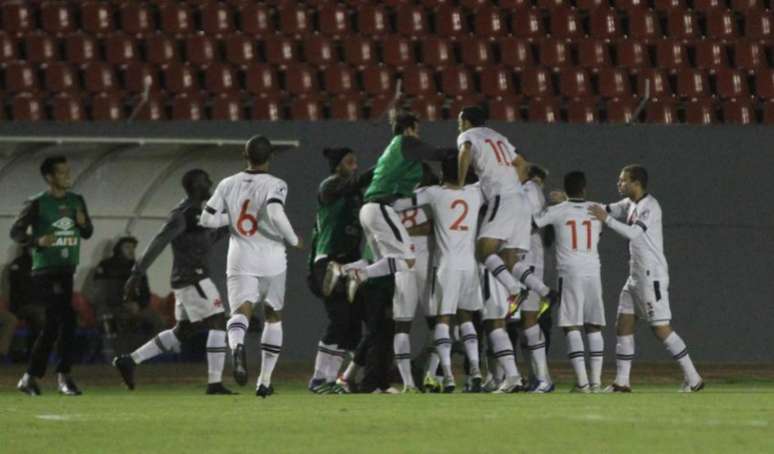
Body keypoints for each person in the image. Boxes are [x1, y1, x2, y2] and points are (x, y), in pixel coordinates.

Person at [326, 112, 449, 392]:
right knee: (405, 260)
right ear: (410, 128)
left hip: (373, 209)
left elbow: (401, 197)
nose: (418, 134)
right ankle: (351, 271)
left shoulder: (393, 160)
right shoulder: (404, 143)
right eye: (417, 129)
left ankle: (355, 270)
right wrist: (466, 152)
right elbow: (438, 153)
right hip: (380, 209)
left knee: (393, 265)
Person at [456, 106, 555, 393]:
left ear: (465, 121)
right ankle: (538, 289)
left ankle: (515, 289)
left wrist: (463, 182)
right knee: (509, 259)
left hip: (502, 199)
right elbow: (521, 163)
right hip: (517, 202)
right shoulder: (499, 136)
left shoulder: (469, 136)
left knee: (483, 250)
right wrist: (515, 181)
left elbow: (465, 153)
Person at [113, 169, 233, 395]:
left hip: (188, 281)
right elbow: (159, 242)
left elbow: (205, 241)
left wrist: (228, 228)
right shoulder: (183, 214)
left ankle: (129, 361)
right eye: (207, 180)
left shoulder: (199, 213)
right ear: (197, 185)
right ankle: (215, 383)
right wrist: (136, 273)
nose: (210, 184)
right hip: (194, 279)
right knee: (218, 321)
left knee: (183, 331)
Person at [200, 135, 303, 398]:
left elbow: (207, 220)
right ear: (270, 157)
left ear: (245, 156)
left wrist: (232, 217)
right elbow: (276, 213)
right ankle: (264, 381)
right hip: (272, 259)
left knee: (240, 313)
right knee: (273, 315)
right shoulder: (276, 184)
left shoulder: (227, 183)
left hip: (239, 258)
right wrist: (293, 239)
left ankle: (236, 348)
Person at [588, 165, 704, 392]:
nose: (619, 184)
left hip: (652, 276)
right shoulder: (629, 204)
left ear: (636, 183)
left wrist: (607, 221)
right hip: (635, 276)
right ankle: (622, 382)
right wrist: (571, 202)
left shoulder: (650, 207)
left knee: (660, 328)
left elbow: (633, 233)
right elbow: (603, 209)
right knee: (623, 324)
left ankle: (693, 377)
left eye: (623, 181)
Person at [393, 152, 484, 393]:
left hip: (448, 265)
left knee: (444, 318)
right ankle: (475, 370)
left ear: (443, 173)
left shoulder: (434, 193)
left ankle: (449, 375)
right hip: (470, 265)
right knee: (466, 318)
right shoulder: (476, 192)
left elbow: (403, 200)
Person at [12, 155, 93, 396]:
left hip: (67, 269)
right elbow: (16, 231)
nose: (68, 177)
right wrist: (35, 240)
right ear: (49, 177)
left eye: (69, 172)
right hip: (45, 271)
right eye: (62, 173)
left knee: (56, 324)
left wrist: (82, 224)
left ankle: (31, 378)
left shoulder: (77, 200)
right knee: (64, 320)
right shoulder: (37, 203)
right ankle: (62, 378)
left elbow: (87, 231)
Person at [534, 171, 605, 392]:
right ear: (584, 188)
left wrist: (553, 203)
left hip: (570, 271)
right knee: (594, 324)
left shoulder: (557, 211)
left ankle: (582, 383)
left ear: (565, 189)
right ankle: (596, 382)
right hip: (593, 270)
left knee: (571, 324)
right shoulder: (597, 208)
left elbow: (534, 222)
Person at [307, 147, 371, 393]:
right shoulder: (329, 187)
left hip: (351, 264)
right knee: (339, 319)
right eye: (350, 162)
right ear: (337, 166)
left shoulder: (357, 195)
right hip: (328, 263)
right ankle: (319, 379)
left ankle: (338, 379)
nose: (354, 166)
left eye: (356, 162)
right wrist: (382, 169)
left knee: (353, 324)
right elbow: (352, 185)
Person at [93, 236, 162, 355]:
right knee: (115, 323)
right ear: (119, 249)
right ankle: (118, 358)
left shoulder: (138, 267)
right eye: (127, 247)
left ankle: (141, 353)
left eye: (133, 247)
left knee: (158, 322)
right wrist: (123, 304)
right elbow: (102, 292)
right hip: (112, 307)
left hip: (135, 307)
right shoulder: (106, 266)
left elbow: (145, 292)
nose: (131, 250)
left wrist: (139, 305)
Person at [8, 246, 41, 357]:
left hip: (39, 305)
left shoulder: (43, 262)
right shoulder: (18, 264)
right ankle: (36, 353)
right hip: (22, 306)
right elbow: (17, 291)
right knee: (40, 315)